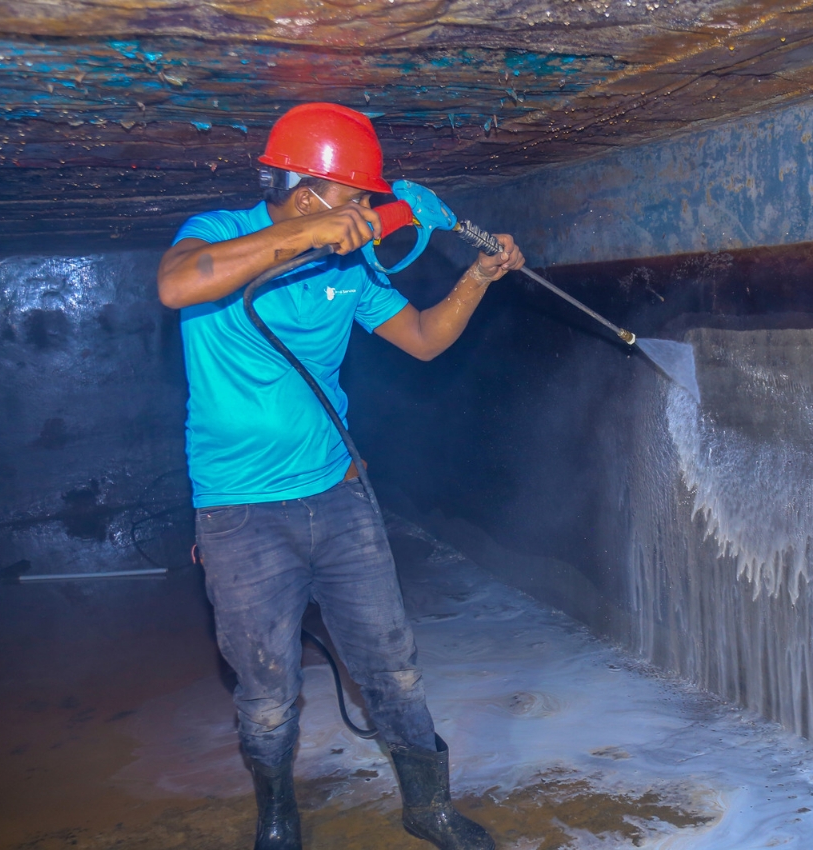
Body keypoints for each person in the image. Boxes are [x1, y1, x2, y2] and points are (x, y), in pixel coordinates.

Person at [156, 102, 520, 850]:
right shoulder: (217, 234)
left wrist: (478, 279)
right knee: (265, 691)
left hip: (338, 494)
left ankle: (428, 806)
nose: (367, 213)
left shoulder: (350, 265)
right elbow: (176, 286)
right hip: (239, 512)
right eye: (356, 198)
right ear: (305, 189)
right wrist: (305, 234)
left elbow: (421, 340)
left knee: (392, 665)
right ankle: (278, 814)